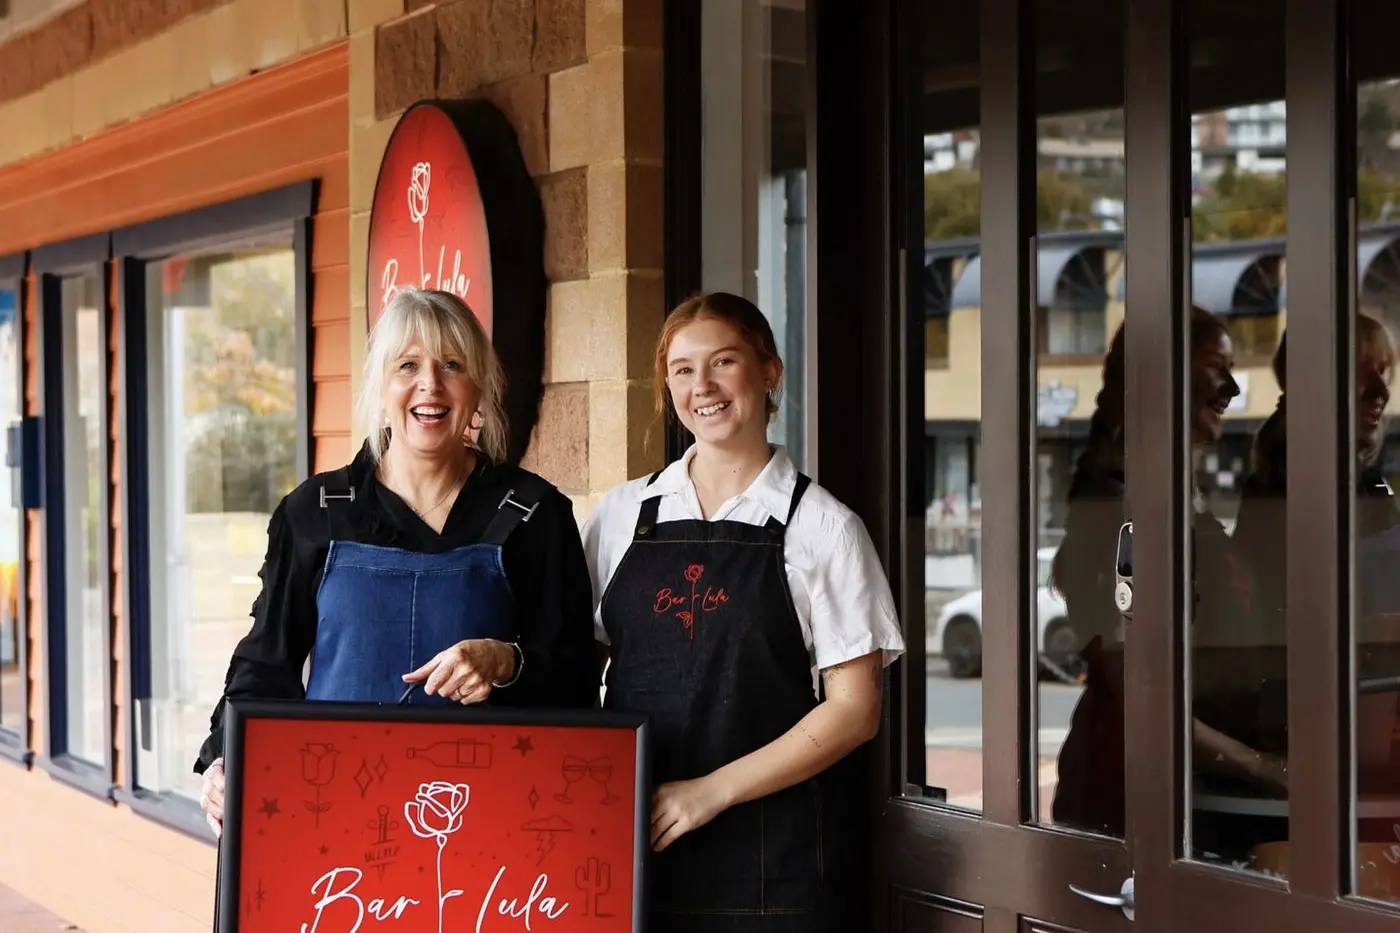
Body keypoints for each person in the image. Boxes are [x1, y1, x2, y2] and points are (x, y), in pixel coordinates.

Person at [195, 289, 598, 837]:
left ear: (478, 386)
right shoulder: (314, 512)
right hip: (332, 813)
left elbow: (576, 675)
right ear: (382, 385)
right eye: (408, 365)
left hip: (490, 823)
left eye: (451, 365)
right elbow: (267, 665)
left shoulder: (534, 514)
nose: (429, 385)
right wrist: (224, 760)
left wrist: (506, 662)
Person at [582, 292, 906, 932]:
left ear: (769, 372)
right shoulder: (620, 517)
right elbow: (574, 665)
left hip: (771, 863)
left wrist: (709, 793)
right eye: (681, 369)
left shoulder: (824, 528)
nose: (701, 386)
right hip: (633, 841)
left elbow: (855, 711)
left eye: (723, 361)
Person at [1051, 308, 1288, 844]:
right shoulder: (1117, 507)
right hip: (1132, 793)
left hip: (1193, 789)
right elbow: (1138, 690)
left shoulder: (1181, 500)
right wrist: (1260, 766)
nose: (1230, 387)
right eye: (1215, 367)